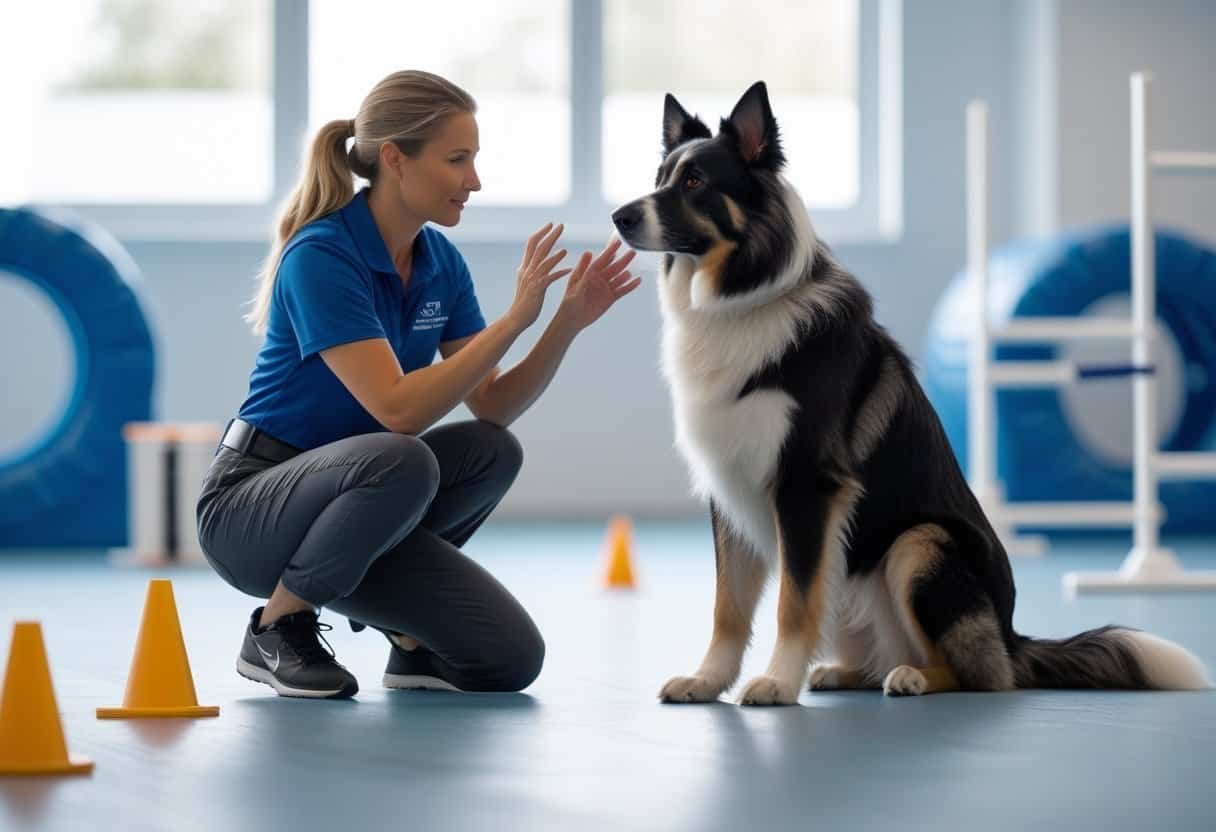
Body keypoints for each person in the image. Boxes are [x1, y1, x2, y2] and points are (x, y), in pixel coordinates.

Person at [196, 69, 639, 699]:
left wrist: (563, 323)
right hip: (251, 508)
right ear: (396, 160)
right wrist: (514, 319)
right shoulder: (323, 255)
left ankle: (407, 641)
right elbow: (398, 411)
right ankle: (276, 626)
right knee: (401, 457)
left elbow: (493, 404)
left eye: (475, 159)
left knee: (506, 645)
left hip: (361, 500)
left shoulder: (439, 262)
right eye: (457, 159)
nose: (474, 180)